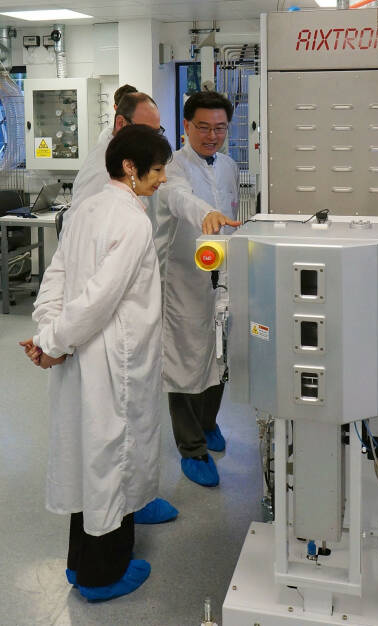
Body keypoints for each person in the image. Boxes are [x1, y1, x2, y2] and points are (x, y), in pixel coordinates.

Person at [20, 125, 173, 602]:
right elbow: (98, 300)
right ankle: (102, 577)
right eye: (157, 169)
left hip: (80, 353)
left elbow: (56, 278)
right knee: (113, 461)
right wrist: (54, 342)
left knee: (89, 456)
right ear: (130, 167)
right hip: (113, 361)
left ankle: (79, 564)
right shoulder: (132, 222)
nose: (162, 178)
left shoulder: (84, 208)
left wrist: (49, 336)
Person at [154, 91, 240, 488]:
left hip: (221, 278)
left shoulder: (229, 166)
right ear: (186, 126)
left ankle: (208, 423)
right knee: (185, 360)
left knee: (220, 352)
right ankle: (191, 447)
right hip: (183, 281)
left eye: (220, 128)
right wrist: (208, 214)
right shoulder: (172, 167)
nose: (212, 136)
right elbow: (179, 199)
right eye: (203, 127)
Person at [67, 91, 162, 224]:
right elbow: (81, 224)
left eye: (157, 132)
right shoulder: (102, 169)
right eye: (146, 132)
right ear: (121, 123)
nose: (153, 141)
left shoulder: (132, 155)